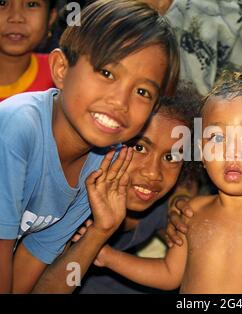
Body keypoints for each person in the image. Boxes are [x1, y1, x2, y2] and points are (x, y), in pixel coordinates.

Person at [0, 0, 179, 293]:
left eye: (142, 91)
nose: (120, 103)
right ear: (60, 68)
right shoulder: (17, 130)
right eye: (107, 73)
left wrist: (100, 230)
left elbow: (25, 283)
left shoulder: (100, 165)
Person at [78, 73, 242, 293]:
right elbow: (170, 274)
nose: (232, 152)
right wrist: (107, 256)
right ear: (202, 152)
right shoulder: (194, 210)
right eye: (218, 138)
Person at [33, 82, 200, 294]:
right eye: (139, 148)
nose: (153, 173)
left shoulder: (161, 204)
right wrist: (96, 236)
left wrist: (178, 207)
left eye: (171, 157)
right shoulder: (73, 209)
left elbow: (188, 189)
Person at [0, 0, 57, 101]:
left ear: (51, 18)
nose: (16, 17)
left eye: (32, 4)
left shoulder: (62, 74)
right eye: (2, 3)